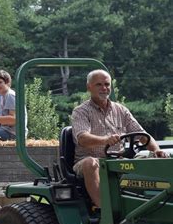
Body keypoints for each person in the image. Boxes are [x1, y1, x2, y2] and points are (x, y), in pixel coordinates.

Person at [71, 69, 168, 207]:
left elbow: (142, 135)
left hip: (120, 160)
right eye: (99, 84)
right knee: (90, 163)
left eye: (107, 84)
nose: (104, 88)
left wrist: (156, 150)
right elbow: (83, 138)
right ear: (89, 87)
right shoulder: (81, 111)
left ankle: (155, 202)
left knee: (154, 159)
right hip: (92, 162)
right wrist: (105, 139)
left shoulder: (121, 110)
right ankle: (104, 209)